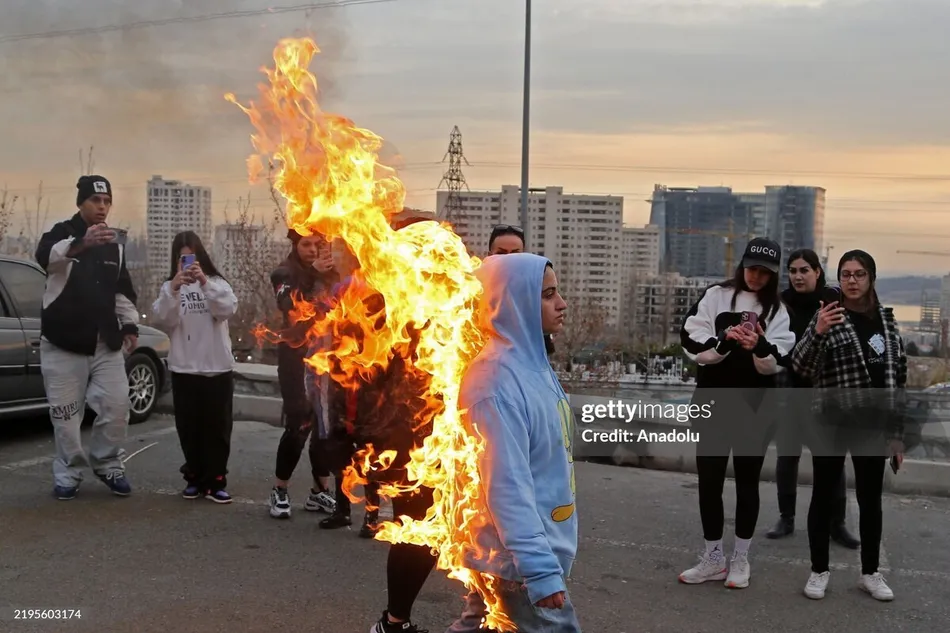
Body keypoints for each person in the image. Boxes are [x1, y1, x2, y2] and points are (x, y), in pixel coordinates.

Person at [446, 252, 580, 633]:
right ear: (514, 302)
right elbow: (506, 484)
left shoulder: (531, 364)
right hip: (515, 564)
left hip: (514, 554)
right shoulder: (495, 381)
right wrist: (539, 568)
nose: (562, 303)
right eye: (547, 294)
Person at [677, 238, 796, 589]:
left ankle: (740, 558)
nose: (756, 276)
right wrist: (724, 342)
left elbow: (777, 360)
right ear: (742, 264)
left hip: (755, 406)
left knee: (747, 482)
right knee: (709, 481)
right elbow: (690, 339)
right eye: (751, 268)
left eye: (764, 272)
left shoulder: (777, 309)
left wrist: (757, 345)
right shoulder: (716, 295)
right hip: (713, 401)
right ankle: (713, 557)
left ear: (773, 275)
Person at [791, 250, 906, 602]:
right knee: (823, 497)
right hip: (830, 421)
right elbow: (801, 366)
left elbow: (897, 378)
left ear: (870, 278)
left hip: (872, 424)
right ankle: (819, 571)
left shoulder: (886, 322)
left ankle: (870, 573)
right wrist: (819, 332)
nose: (851, 281)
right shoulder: (828, 316)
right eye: (845, 274)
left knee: (871, 501)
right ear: (837, 279)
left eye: (858, 274)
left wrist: (896, 435)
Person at [34, 175, 139, 500]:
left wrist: (130, 326)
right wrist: (82, 243)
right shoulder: (61, 234)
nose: (102, 207)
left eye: (107, 201)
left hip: (104, 344)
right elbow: (44, 258)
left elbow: (121, 289)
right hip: (62, 343)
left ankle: (108, 464)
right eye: (96, 201)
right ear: (81, 203)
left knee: (118, 405)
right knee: (66, 417)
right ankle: (69, 472)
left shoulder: (114, 244)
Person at [765, 249, 858, 548]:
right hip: (789, 393)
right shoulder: (780, 306)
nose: (797, 276)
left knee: (831, 461)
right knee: (787, 456)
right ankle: (786, 517)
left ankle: (837, 523)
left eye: (804, 270)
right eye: (792, 270)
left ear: (818, 272)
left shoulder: (832, 302)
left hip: (824, 395)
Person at [152, 231, 238, 503]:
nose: (188, 263)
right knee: (189, 429)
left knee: (218, 428)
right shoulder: (170, 287)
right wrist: (175, 287)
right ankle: (194, 478)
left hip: (216, 368)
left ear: (201, 257)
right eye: (182, 258)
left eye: (192, 256)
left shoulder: (216, 283)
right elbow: (163, 318)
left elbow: (226, 310)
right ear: (176, 260)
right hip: (185, 369)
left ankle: (216, 480)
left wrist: (203, 283)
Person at [268, 229, 340, 519]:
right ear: (295, 246)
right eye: (305, 244)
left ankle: (319, 491)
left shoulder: (332, 271)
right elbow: (289, 306)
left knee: (324, 425)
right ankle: (279, 489)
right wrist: (312, 274)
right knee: (299, 423)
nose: (312, 249)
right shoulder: (284, 273)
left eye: (317, 244)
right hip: (296, 359)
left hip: (328, 357)